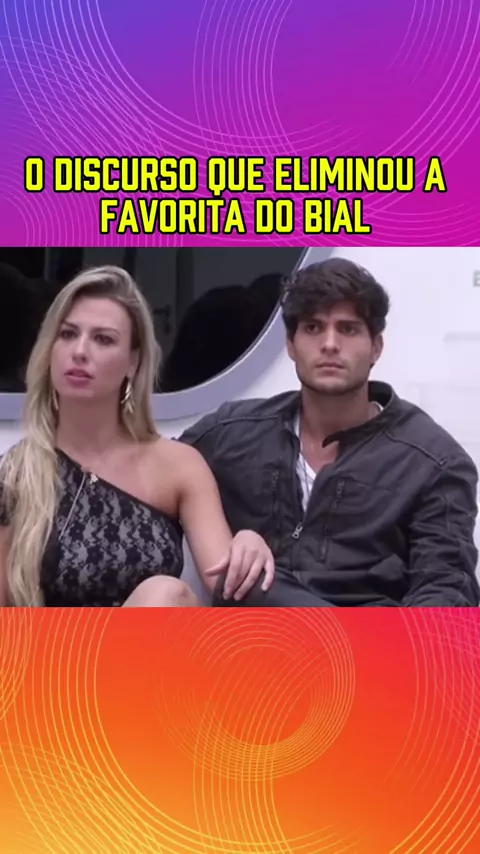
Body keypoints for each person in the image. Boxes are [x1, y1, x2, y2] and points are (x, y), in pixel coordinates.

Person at [179, 257, 480, 607]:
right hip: (256, 636)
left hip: (373, 636)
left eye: (348, 329)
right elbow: (154, 470)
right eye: (313, 328)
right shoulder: (232, 433)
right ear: (291, 345)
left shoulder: (433, 461)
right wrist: (236, 542)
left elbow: (446, 591)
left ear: (376, 347)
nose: (330, 344)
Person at [0, 265, 274, 607]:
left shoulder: (178, 465)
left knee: (166, 593)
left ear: (133, 362)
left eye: (103, 339)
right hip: (50, 640)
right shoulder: (18, 471)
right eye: (68, 334)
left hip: (149, 632)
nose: (80, 351)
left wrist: (247, 546)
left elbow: (224, 580)